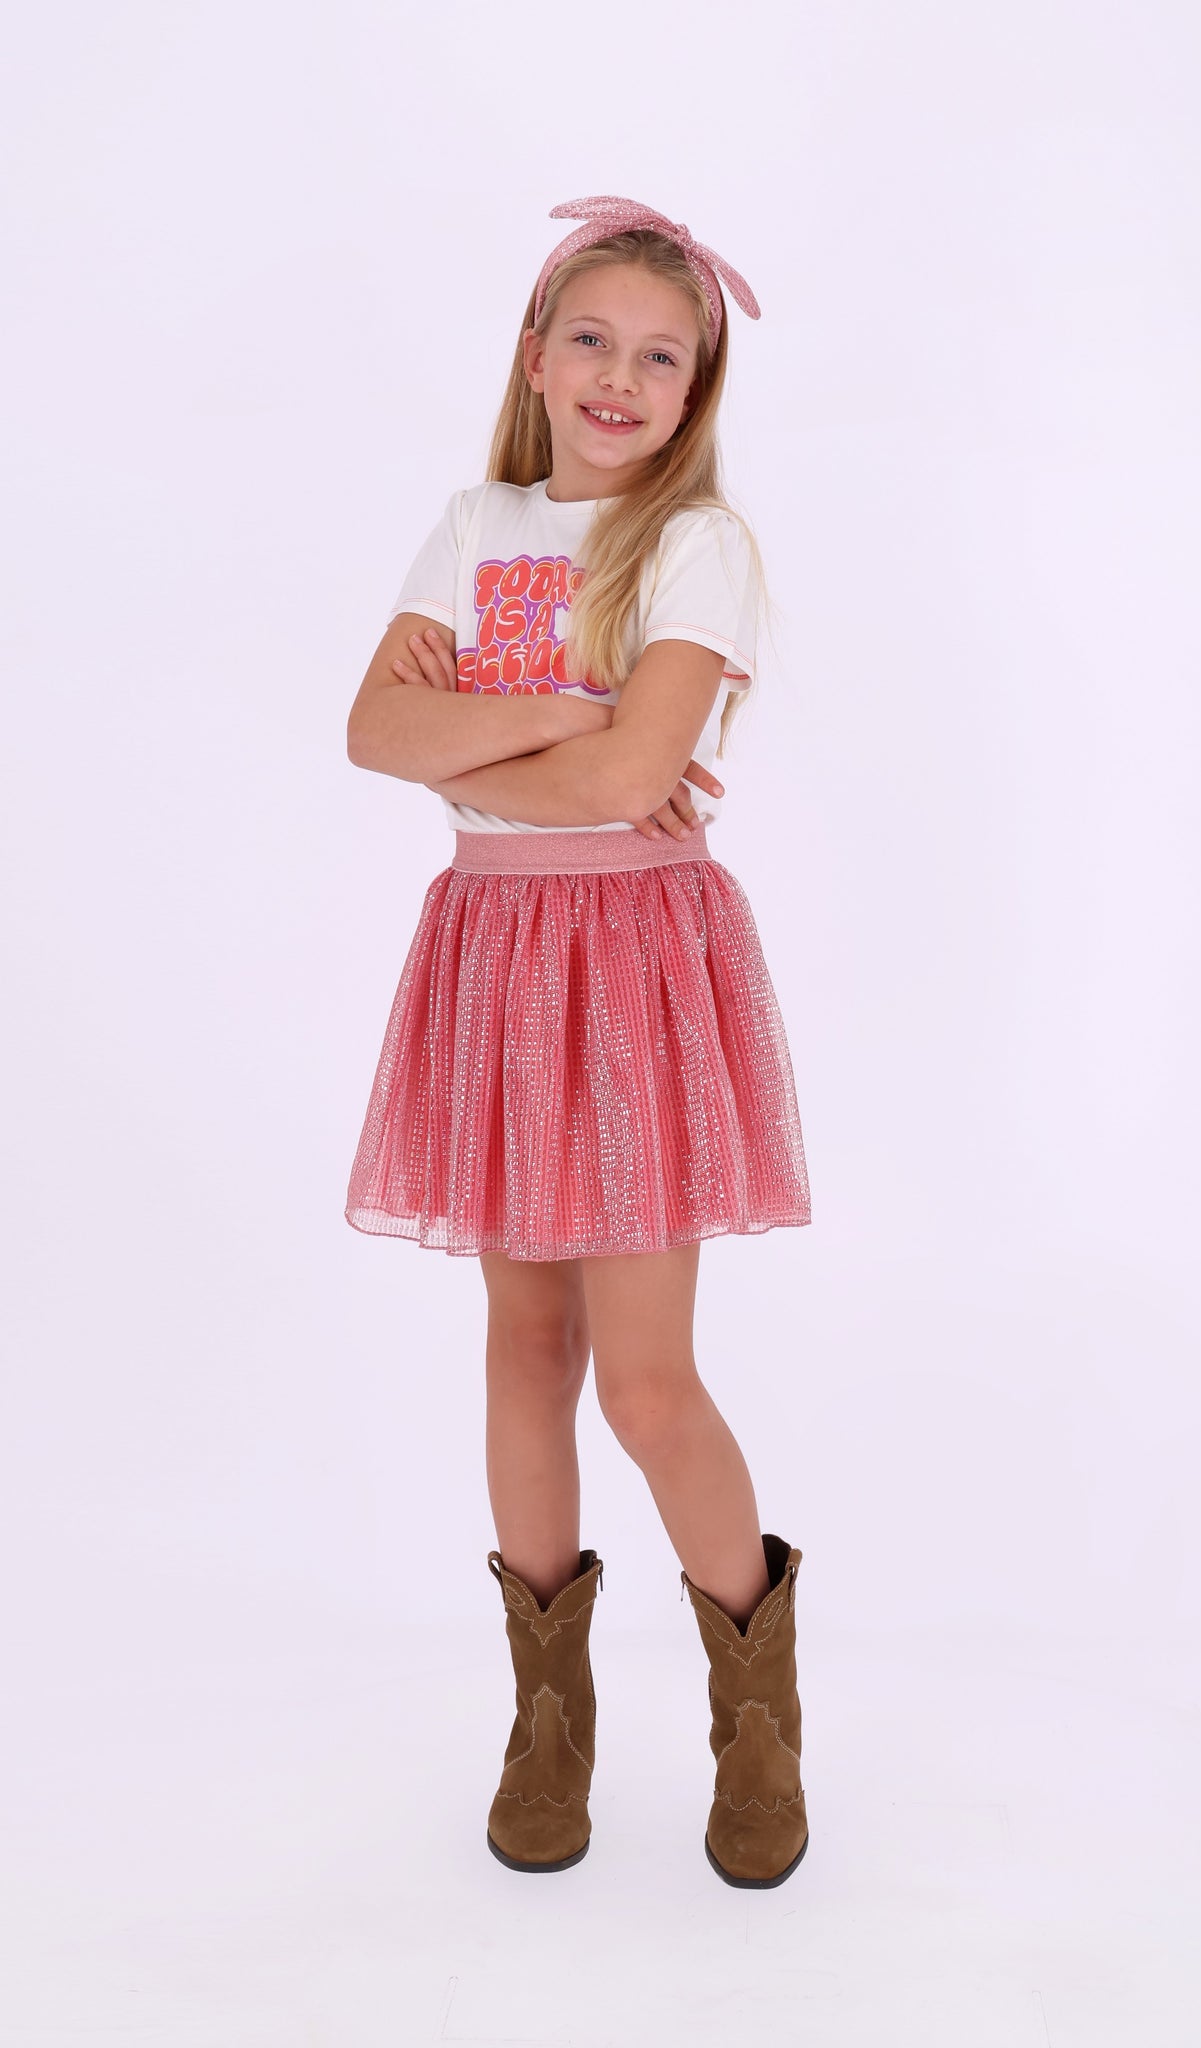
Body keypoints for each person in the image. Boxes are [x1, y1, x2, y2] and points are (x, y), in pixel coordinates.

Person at [344, 195, 812, 1890]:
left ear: (695, 391)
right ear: (536, 356)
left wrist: (477, 741)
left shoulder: (696, 545)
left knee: (646, 1377)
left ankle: (756, 1721)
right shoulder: (473, 523)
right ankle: (548, 1723)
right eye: (593, 340)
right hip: (490, 954)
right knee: (521, 1348)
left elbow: (631, 784)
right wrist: (560, 709)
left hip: (628, 965)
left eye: (661, 357)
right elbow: (370, 733)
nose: (621, 377)